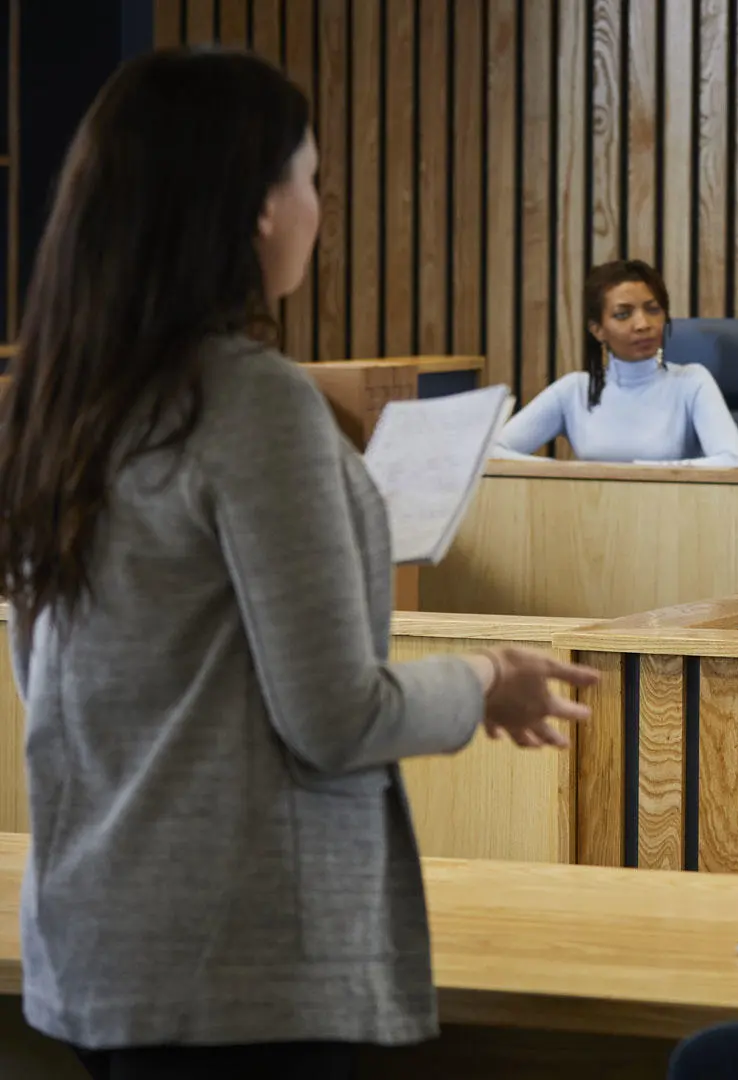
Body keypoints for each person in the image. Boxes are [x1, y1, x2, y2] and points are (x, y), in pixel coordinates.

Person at [0, 49, 598, 1076]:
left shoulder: (55, 405)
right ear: (258, 209)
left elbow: (41, 677)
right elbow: (334, 716)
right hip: (241, 964)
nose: (320, 210)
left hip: (95, 942)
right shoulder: (250, 404)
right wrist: (485, 680)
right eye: (312, 178)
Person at [495, 259, 738, 466]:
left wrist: (636, 473)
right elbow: (492, 451)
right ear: (597, 330)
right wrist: (567, 472)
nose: (643, 324)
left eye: (652, 309)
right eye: (623, 314)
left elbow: (734, 461)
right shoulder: (574, 390)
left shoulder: (691, 381)